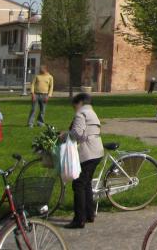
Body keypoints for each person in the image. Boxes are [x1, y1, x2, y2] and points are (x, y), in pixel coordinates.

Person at [63, 93, 103, 229]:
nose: (74, 108)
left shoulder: (81, 114)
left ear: (79, 103)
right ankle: (89, 214)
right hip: (97, 151)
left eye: (74, 105)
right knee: (86, 184)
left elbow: (77, 134)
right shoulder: (92, 112)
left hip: (88, 153)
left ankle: (79, 219)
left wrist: (64, 135)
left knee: (78, 184)